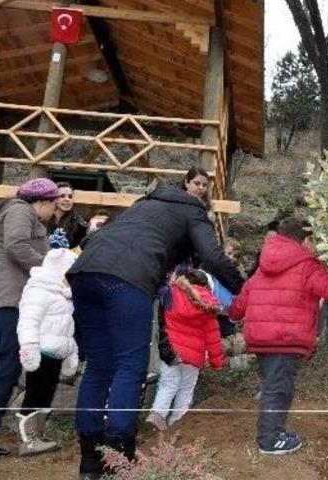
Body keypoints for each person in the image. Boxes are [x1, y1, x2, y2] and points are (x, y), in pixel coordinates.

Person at [68, 171, 243, 478]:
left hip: (84, 272)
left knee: (98, 366)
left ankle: (90, 461)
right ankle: (119, 456)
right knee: (129, 366)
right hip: (128, 279)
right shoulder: (194, 209)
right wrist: (243, 288)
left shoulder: (144, 204)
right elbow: (213, 257)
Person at [227, 217, 328, 455]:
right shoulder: (305, 264)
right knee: (277, 388)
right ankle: (268, 440)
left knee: (277, 385)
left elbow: (246, 294)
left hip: (261, 335)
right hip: (284, 336)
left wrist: (233, 313)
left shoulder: (266, 263)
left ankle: (275, 429)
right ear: (306, 239)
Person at [0, 178, 58, 464]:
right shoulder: (20, 211)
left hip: (12, 302)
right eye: (54, 203)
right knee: (0, 372)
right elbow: (16, 246)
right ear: (45, 202)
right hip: (6, 301)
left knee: (5, 372)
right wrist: (50, 269)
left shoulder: (20, 211)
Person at [15, 248, 80, 455]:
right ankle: (28, 439)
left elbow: (66, 328)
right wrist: (29, 347)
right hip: (40, 352)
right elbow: (28, 321)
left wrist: (70, 352)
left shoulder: (62, 295)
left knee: (46, 393)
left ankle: (38, 434)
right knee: (34, 394)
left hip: (55, 355)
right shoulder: (38, 291)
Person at [145, 269, 225, 431]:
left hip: (169, 348)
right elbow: (213, 336)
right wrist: (217, 362)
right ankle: (178, 421)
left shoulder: (170, 294)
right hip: (193, 355)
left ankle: (158, 415)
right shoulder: (208, 303)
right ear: (206, 285)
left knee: (169, 382)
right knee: (186, 387)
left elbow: (159, 319)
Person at [47, 182, 88, 249]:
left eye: (70, 197)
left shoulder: (79, 224)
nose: (67, 199)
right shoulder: (43, 219)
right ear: (54, 199)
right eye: (62, 196)